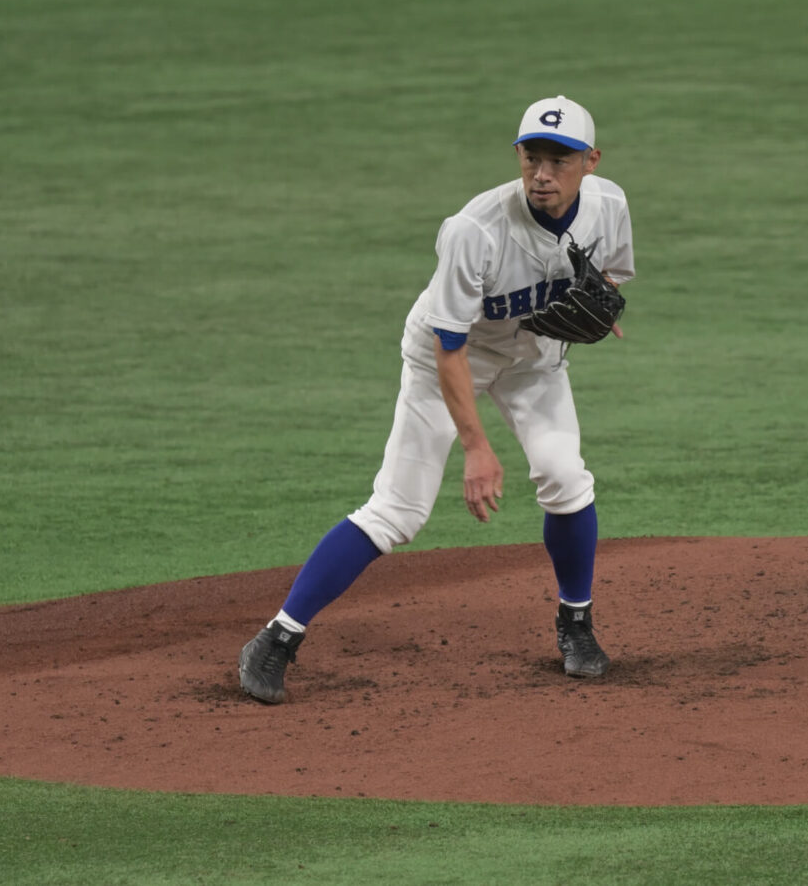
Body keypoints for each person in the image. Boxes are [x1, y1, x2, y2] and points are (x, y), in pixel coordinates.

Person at [238, 95, 635, 703]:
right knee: (398, 511)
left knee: (565, 477)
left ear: (591, 161)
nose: (543, 174)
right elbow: (449, 345)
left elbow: (609, 279)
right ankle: (276, 639)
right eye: (532, 158)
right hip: (449, 357)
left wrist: (600, 310)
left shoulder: (609, 204)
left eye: (560, 160)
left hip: (533, 359)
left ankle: (575, 626)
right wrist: (477, 448)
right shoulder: (475, 231)